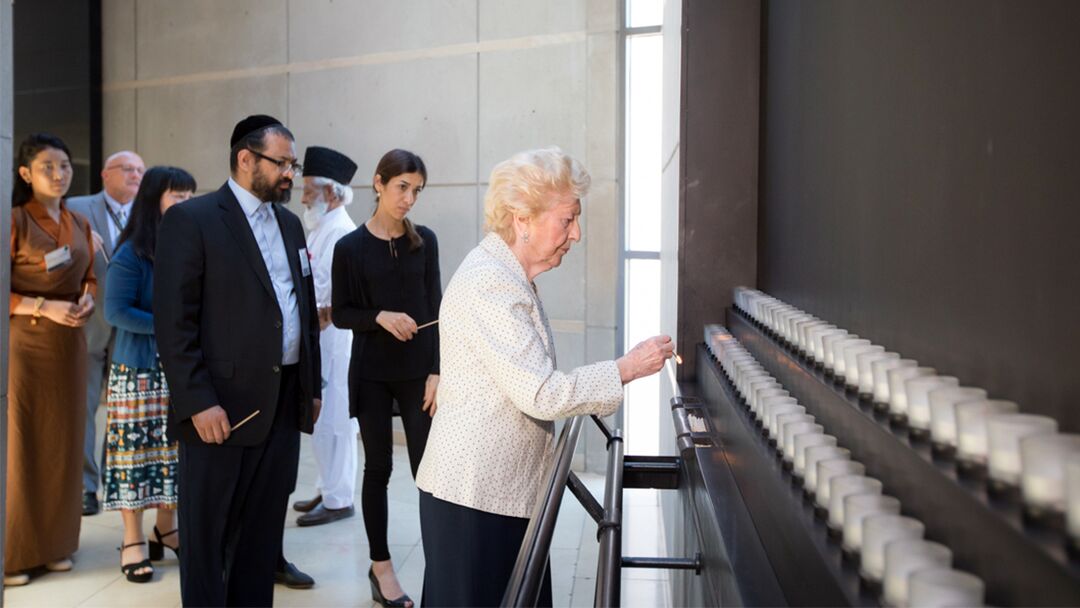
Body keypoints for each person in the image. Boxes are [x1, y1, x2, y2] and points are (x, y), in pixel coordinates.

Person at [415, 147, 673, 607]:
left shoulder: (510, 275)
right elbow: (541, 393)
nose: (576, 234)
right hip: (474, 497)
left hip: (498, 492)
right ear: (522, 219)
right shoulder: (491, 283)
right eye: (567, 219)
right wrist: (625, 368)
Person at [154, 114, 322, 606]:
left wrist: (311, 386)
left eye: (293, 163)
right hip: (219, 411)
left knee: (261, 538)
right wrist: (197, 401)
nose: (290, 173)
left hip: (282, 406)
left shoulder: (291, 224)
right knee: (207, 542)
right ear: (245, 159)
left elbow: (302, 310)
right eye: (282, 163)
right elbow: (174, 323)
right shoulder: (193, 220)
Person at [331, 149, 441, 608]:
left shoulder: (425, 241)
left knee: (431, 472)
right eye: (402, 187)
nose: (409, 198)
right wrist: (379, 316)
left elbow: (436, 308)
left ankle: (443, 562)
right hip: (373, 375)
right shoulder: (350, 248)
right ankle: (381, 569)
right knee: (378, 468)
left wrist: (438, 370)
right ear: (378, 183)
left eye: (416, 190)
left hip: (419, 374)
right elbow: (340, 314)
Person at [5, 133, 97, 586]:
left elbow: (92, 276)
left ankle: (56, 544)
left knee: (65, 441)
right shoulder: (15, 221)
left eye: (64, 166)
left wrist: (87, 301)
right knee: (24, 445)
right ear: (25, 174)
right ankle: (16, 553)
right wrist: (44, 307)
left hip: (69, 344)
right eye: (47, 167)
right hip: (25, 342)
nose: (59, 175)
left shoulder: (79, 222)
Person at [101, 166, 196, 583]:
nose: (186, 205)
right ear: (155, 198)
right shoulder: (131, 253)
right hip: (137, 373)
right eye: (178, 196)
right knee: (134, 459)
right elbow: (115, 312)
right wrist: (170, 322)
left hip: (177, 368)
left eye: (191, 197)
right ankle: (133, 538)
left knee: (172, 455)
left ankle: (167, 527)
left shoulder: (188, 245)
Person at [68, 150, 147, 516]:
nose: (135, 175)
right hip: (89, 321)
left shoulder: (149, 214)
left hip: (130, 326)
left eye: (140, 170)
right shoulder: (76, 207)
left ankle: (114, 477)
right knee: (84, 407)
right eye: (127, 169)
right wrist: (83, 237)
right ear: (105, 175)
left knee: (122, 408)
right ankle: (85, 486)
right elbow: (56, 253)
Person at [291, 146, 360, 527]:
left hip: (334, 343)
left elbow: (334, 300)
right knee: (320, 420)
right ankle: (326, 486)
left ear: (331, 193)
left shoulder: (341, 234)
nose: (302, 197)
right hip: (317, 341)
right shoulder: (321, 228)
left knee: (336, 421)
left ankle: (339, 499)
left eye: (309, 190)